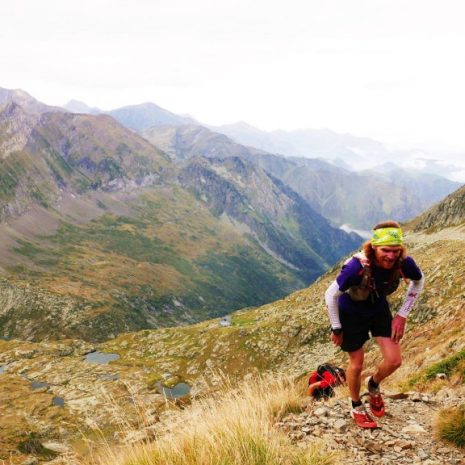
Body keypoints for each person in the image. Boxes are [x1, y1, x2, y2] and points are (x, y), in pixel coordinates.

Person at [324, 221, 424, 428]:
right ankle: (356, 405)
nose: (391, 255)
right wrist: (336, 327)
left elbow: (419, 280)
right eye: (385, 250)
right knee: (357, 362)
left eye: (396, 251)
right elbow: (330, 294)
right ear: (374, 247)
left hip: (378, 309)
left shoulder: (404, 263)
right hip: (350, 313)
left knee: (394, 360)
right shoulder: (356, 267)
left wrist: (402, 315)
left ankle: (373, 385)